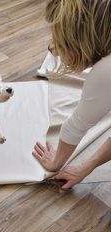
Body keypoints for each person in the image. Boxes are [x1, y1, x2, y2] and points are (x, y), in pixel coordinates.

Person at [32, 0, 111, 190]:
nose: (56, 50)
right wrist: (86, 166)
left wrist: (56, 163)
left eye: (61, 42)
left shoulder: (106, 70)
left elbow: (76, 126)